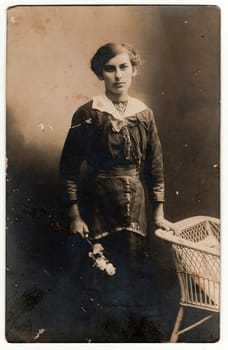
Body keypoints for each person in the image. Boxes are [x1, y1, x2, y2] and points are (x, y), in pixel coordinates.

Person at [60, 42, 171, 243]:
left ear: (134, 70)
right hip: (96, 204)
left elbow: (154, 166)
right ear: (100, 74)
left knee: (133, 265)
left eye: (124, 67)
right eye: (110, 69)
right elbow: (69, 167)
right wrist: (75, 216)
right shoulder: (88, 113)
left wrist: (158, 215)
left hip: (135, 205)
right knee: (101, 266)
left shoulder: (144, 114)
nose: (118, 76)